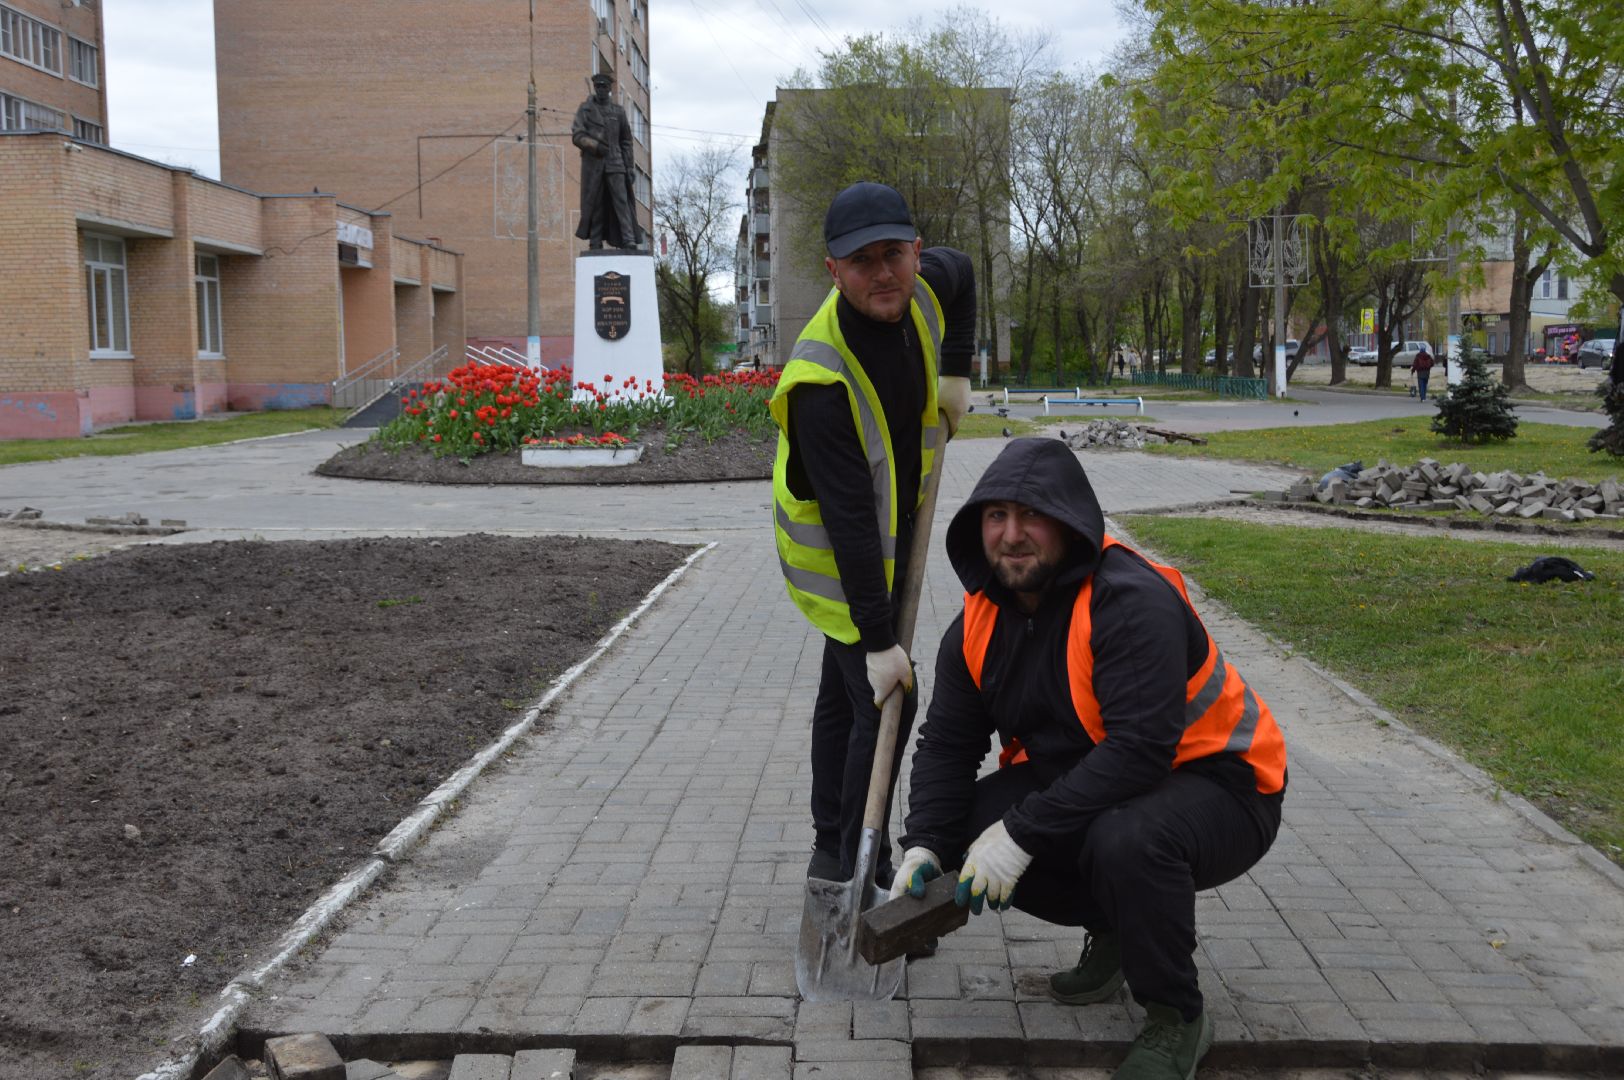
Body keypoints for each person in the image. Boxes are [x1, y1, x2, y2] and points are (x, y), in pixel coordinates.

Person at [889, 437, 1287, 1080]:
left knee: (1124, 840)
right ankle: (1117, 929)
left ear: (1069, 522)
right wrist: (926, 844)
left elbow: (1141, 749)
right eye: (996, 517)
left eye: (1031, 516)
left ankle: (1177, 1016)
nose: (1011, 536)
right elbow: (949, 741)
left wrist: (1020, 834)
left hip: (1226, 784)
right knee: (969, 828)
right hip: (1101, 776)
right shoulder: (976, 624)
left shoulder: (1128, 601)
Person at [769, 181, 976, 884]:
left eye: (893, 253)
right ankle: (864, 869)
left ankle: (833, 854)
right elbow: (850, 522)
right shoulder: (820, 381)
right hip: (838, 558)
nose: (882, 273)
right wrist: (882, 641)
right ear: (834, 271)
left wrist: (955, 373)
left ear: (917, 252)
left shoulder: (927, 290)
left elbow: (967, 272)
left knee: (844, 695)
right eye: (861, 261)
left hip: (884, 534)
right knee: (887, 692)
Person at [571, 73, 640, 251]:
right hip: (594, 164)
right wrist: (594, 146)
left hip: (616, 162)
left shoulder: (618, 112)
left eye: (605, 86)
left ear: (610, 89)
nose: (601, 89)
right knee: (596, 203)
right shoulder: (585, 110)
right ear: (595, 88)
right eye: (598, 86)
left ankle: (628, 239)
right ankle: (595, 241)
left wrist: (630, 167)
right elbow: (577, 135)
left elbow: (626, 140)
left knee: (621, 202)